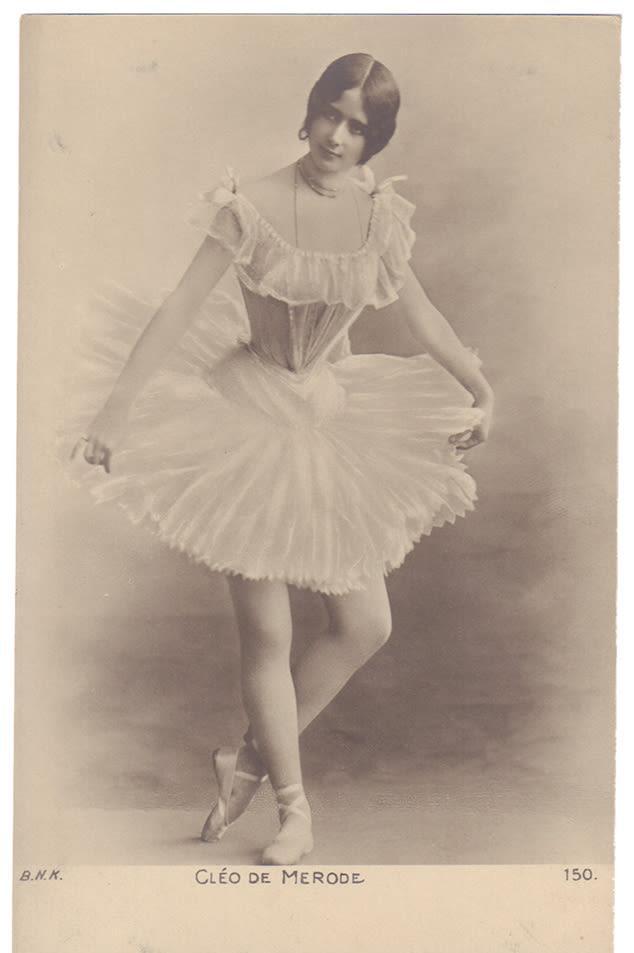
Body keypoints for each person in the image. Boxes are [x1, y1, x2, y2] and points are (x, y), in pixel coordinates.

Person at [65, 52, 495, 865]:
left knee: (366, 623)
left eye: (358, 126)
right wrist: (115, 412)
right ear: (310, 111)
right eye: (330, 114)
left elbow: (423, 314)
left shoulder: (378, 218)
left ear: (376, 139)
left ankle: (248, 762)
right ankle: (294, 811)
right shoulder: (252, 206)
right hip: (245, 418)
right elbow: (177, 310)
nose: (336, 136)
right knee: (268, 630)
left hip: (325, 417)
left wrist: (481, 386)